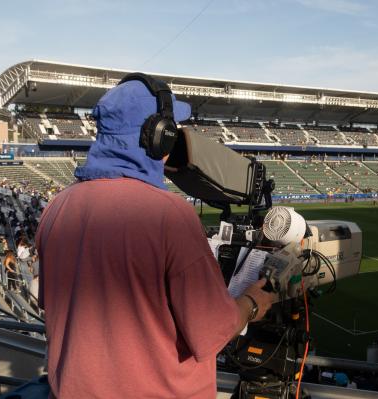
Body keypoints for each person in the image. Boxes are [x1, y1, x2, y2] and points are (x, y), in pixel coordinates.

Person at [35, 74, 276, 399]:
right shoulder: (169, 216)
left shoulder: (57, 207)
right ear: (158, 137)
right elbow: (211, 331)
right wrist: (250, 304)